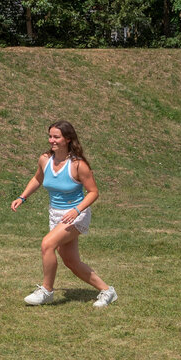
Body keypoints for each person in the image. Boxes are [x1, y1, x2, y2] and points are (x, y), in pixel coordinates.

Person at [11, 121, 117, 307]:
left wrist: (76, 210)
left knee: (47, 244)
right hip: (55, 214)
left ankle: (46, 291)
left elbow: (93, 192)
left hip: (76, 214)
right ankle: (107, 291)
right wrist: (23, 196)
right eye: (50, 136)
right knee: (71, 261)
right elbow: (38, 178)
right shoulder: (45, 159)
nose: (52, 140)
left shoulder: (78, 165)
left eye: (56, 137)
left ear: (68, 139)